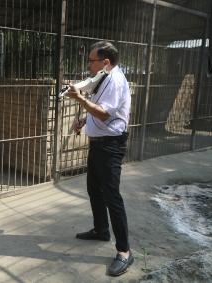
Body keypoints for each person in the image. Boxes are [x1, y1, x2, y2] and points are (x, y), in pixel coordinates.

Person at [65, 41, 133, 276]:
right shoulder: (105, 77)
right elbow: (101, 110)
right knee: (94, 189)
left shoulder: (114, 81)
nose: (89, 65)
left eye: (91, 61)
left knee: (112, 196)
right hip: (98, 144)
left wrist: (80, 99)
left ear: (105, 62)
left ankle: (124, 251)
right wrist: (84, 120)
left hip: (110, 146)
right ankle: (101, 229)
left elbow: (104, 114)